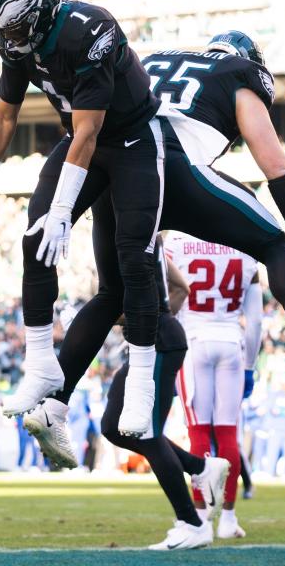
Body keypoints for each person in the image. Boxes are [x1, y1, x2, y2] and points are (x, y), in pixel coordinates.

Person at [22, 30, 285, 460]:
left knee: (112, 294)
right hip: (175, 167)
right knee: (277, 244)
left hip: (116, 171)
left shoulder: (157, 57)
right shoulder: (238, 74)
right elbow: (276, 166)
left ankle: (53, 406)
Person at [0, 0, 169, 438]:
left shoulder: (88, 30)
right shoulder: (19, 42)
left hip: (131, 141)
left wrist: (65, 210)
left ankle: (142, 388)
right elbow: (5, 115)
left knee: (134, 261)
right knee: (34, 238)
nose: (10, 39)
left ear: (41, 10)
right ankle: (42, 365)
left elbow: (90, 130)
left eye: (17, 26)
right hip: (83, 138)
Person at [26, 194, 229, 550]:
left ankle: (191, 522)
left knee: (147, 433)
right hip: (156, 337)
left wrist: (139, 319)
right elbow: (179, 287)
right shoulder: (148, 232)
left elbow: (118, 301)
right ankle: (201, 468)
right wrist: (150, 316)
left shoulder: (124, 234)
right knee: (113, 428)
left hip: (160, 340)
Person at [165, 232, 262, 540]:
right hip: (232, 342)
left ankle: (201, 519)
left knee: (199, 435)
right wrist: (249, 367)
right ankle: (229, 518)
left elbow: (163, 294)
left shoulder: (176, 242)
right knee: (227, 434)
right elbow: (256, 321)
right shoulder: (245, 246)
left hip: (193, 341)